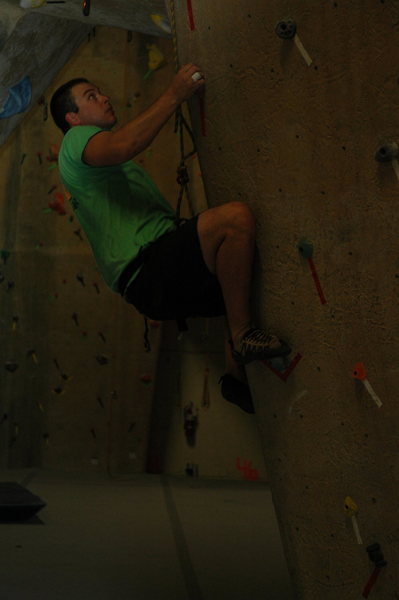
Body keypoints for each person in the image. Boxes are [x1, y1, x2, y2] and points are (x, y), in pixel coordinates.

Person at [50, 63, 291, 413]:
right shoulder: (74, 141)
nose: (103, 97)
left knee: (235, 277)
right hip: (147, 269)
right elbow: (125, 144)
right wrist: (175, 93)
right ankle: (241, 340)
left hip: (152, 280)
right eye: (91, 96)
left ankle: (235, 378)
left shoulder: (106, 171)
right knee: (235, 221)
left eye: (100, 91)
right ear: (72, 118)